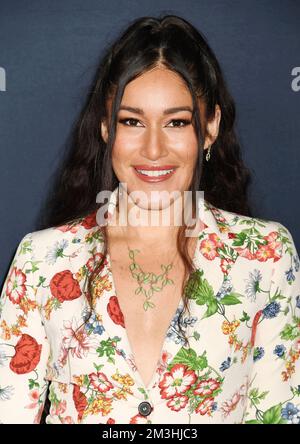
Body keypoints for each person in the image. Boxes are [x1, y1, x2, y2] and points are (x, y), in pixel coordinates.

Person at [0, 14, 299, 425]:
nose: (154, 149)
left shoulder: (266, 257)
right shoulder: (42, 260)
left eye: (177, 122)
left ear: (210, 127)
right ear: (107, 128)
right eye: (132, 121)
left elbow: (281, 413)